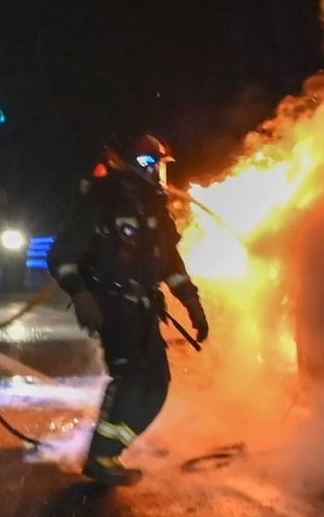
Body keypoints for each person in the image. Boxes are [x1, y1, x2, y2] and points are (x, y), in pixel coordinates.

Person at [47, 133, 209, 487]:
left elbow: (171, 264)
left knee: (157, 386)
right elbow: (61, 257)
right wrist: (82, 296)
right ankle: (101, 456)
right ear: (131, 163)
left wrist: (192, 303)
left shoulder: (154, 206)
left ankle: (109, 451)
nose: (156, 172)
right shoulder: (101, 200)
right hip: (112, 306)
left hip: (145, 310)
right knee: (131, 379)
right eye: (150, 164)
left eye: (159, 166)